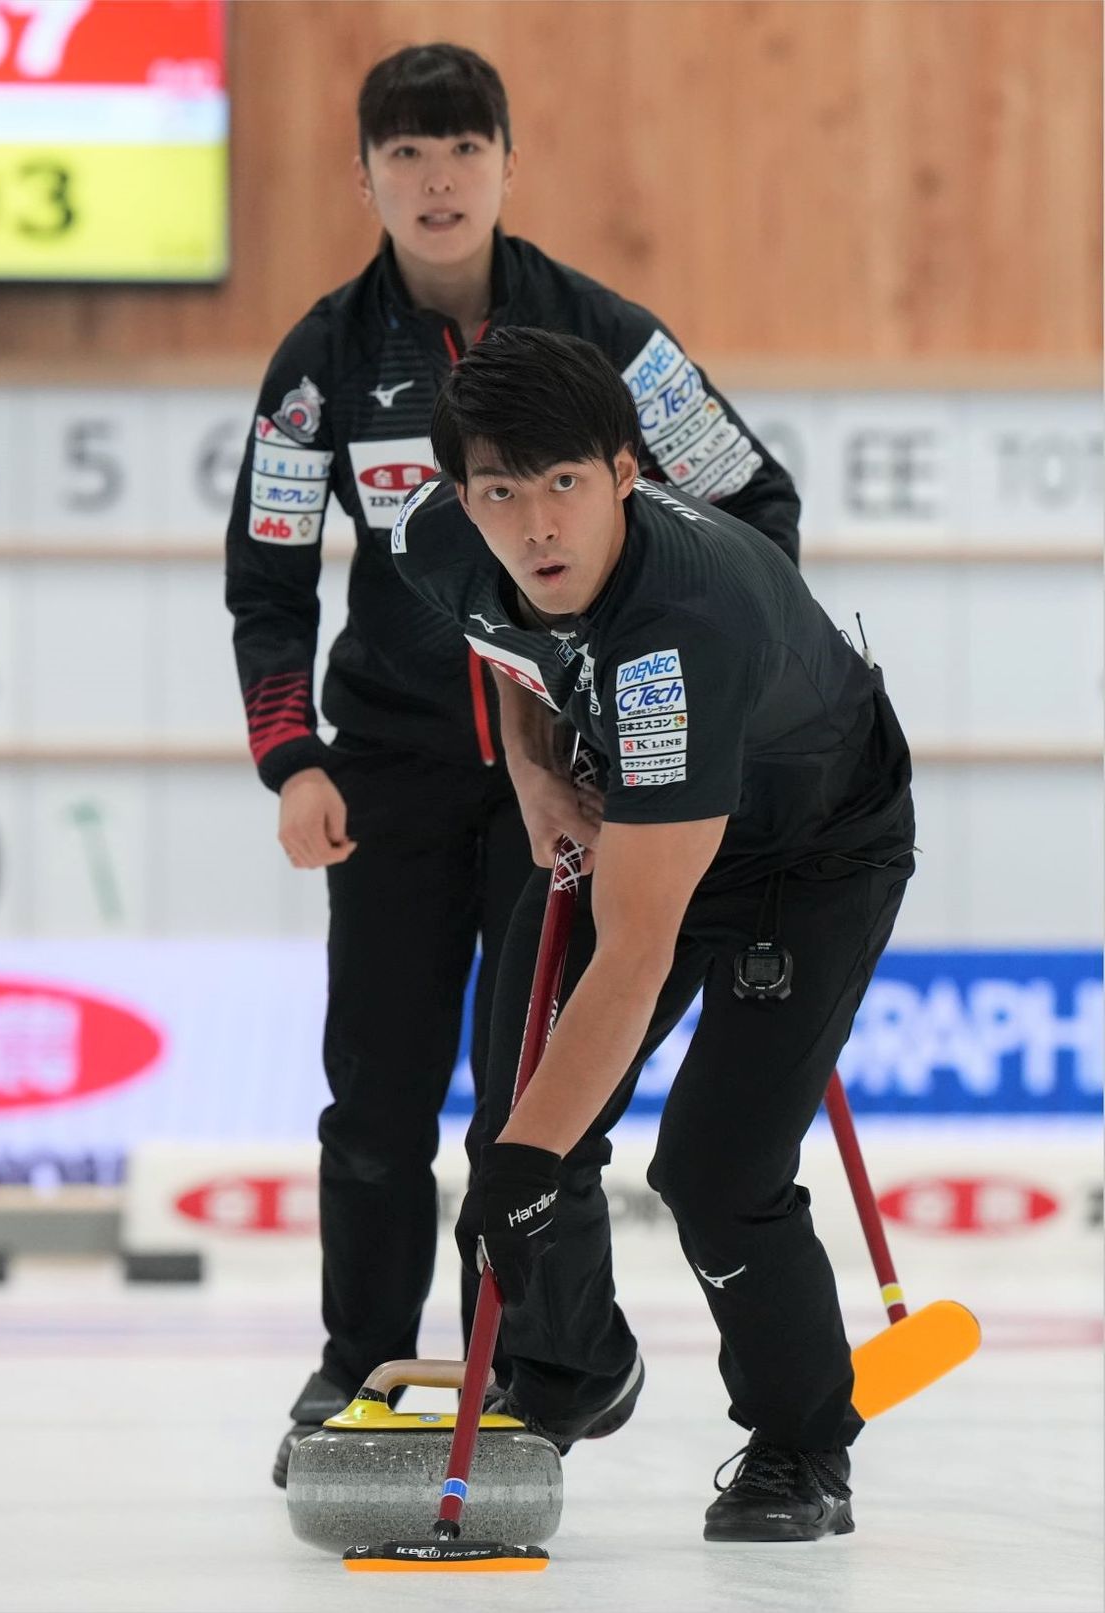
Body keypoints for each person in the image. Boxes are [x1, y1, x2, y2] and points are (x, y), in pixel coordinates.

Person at [224, 42, 802, 1490]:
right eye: (406, 156)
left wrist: (684, 712)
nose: (436, 181)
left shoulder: (602, 334)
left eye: (462, 149)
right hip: (402, 771)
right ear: (362, 178)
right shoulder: (321, 363)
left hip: (579, 771)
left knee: (539, 1082)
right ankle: (357, 1361)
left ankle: (558, 1363)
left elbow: (753, 500)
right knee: (373, 1091)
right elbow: (268, 576)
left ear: (507, 165)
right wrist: (293, 759)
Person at [390, 327, 916, 1543]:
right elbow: (516, 652)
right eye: (500, 492)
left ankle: (801, 1444)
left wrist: (515, 1173)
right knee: (522, 1115)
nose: (535, 528)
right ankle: (575, 1368)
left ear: (625, 471)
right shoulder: (439, 542)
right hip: (635, 798)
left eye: (564, 483)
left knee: (712, 1173)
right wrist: (532, 778)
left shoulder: (680, 631)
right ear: (458, 494)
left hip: (810, 848)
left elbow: (636, 948)